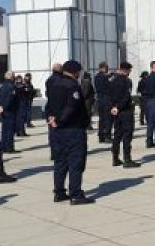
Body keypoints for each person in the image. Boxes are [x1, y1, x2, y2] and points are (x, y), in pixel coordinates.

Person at [46, 60, 94, 204]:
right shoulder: (72, 86)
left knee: (60, 161)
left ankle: (59, 192)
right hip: (72, 129)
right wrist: (61, 120)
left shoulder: (54, 84)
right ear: (75, 72)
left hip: (56, 130)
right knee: (76, 161)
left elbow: (49, 105)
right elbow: (71, 107)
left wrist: (51, 119)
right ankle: (76, 194)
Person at [110, 62, 139, 168]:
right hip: (125, 110)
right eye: (130, 70)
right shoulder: (126, 81)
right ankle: (127, 159)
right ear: (126, 70)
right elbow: (126, 97)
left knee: (117, 135)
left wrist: (113, 107)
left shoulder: (112, 80)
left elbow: (109, 95)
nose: (130, 72)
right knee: (127, 135)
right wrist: (118, 107)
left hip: (115, 111)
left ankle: (115, 158)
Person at [0, 72, 20, 154]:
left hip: (3, 110)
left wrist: (0, 107)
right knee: (10, 130)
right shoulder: (12, 87)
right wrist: (5, 107)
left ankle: (3, 147)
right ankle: (9, 148)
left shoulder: (2, 86)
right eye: (13, 76)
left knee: (4, 130)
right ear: (11, 77)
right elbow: (10, 99)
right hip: (10, 110)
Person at [94, 62, 113, 143]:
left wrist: (109, 76)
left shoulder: (96, 77)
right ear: (103, 68)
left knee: (101, 118)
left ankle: (101, 136)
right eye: (107, 68)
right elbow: (109, 87)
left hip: (99, 99)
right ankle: (107, 136)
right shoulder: (105, 78)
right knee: (108, 118)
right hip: (106, 99)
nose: (108, 69)